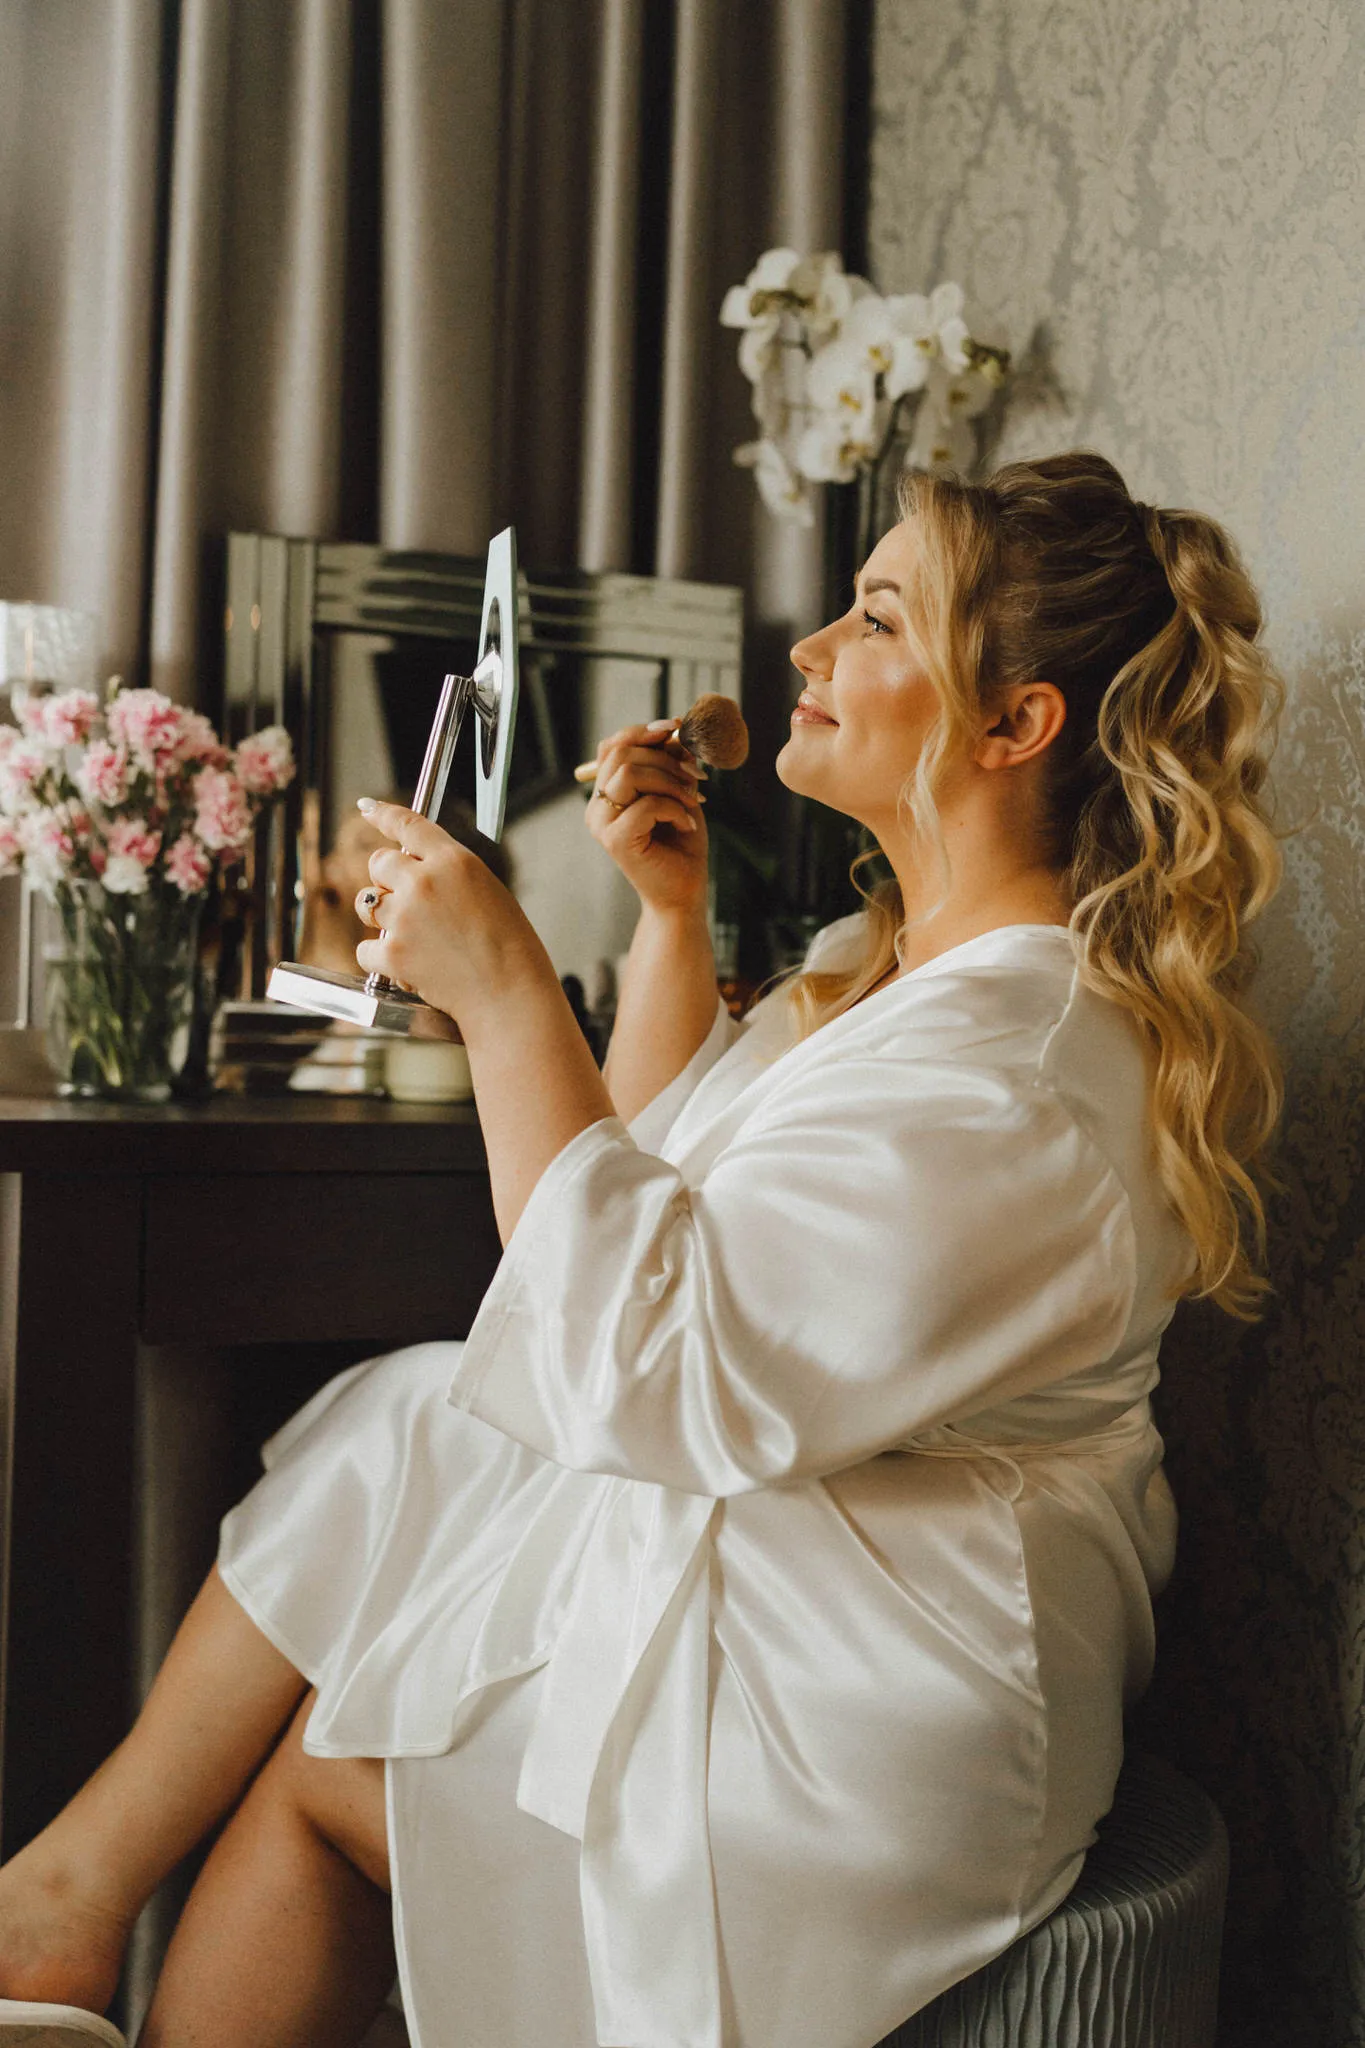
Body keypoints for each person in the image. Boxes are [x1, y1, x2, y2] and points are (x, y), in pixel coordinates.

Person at [0, 452, 1283, 2048]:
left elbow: (640, 1356)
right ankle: (64, 1898)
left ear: (1015, 724)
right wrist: (668, 920)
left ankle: (57, 1907)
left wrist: (507, 993)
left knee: (337, 1752)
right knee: (418, 1422)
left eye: (879, 618)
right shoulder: (885, 973)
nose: (811, 647)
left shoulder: (1012, 1068)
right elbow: (649, 1186)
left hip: (869, 1688)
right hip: (798, 1550)